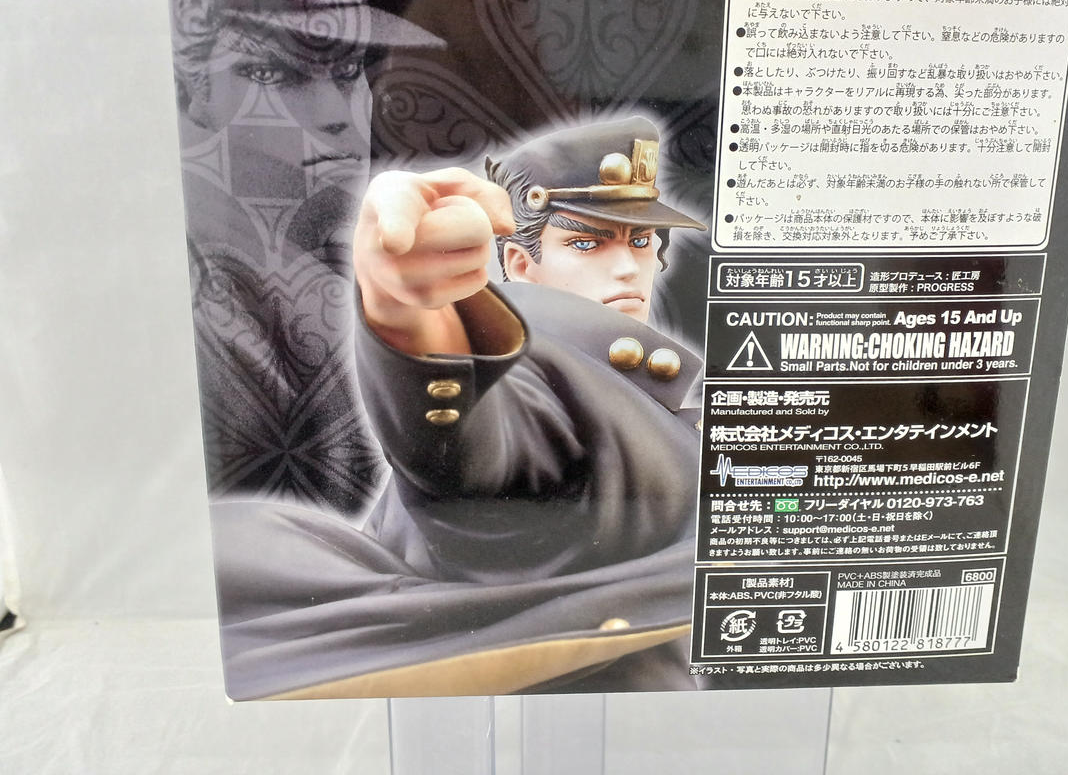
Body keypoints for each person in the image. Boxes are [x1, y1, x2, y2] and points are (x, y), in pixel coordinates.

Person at [211, 116, 710, 698]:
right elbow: (473, 444)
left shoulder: (642, 383)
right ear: (520, 265)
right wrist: (413, 319)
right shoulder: (538, 377)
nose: (627, 267)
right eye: (586, 243)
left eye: (641, 242)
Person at [163, 0, 443, 512]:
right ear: (188, 94)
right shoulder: (187, 309)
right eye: (275, 74)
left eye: (348, 70)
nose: (337, 116)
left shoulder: (354, 268)